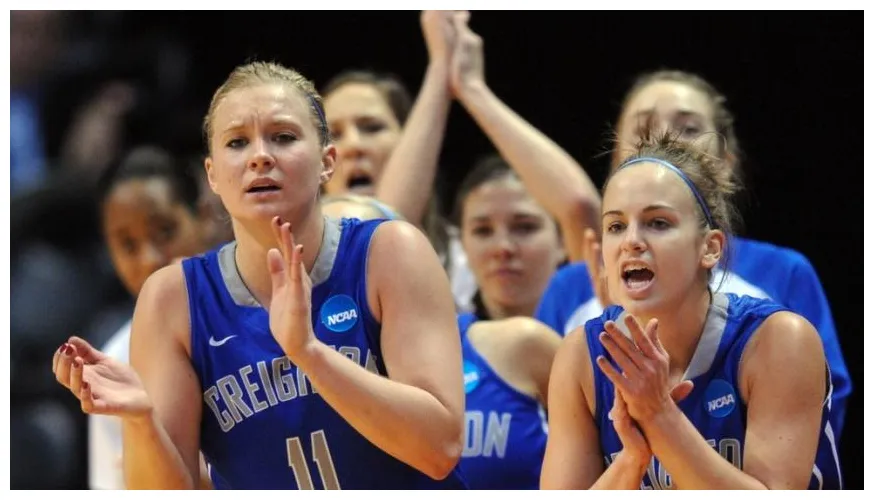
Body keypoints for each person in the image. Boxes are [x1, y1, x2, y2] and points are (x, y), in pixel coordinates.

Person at [53, 60, 468, 489]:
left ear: (328, 161)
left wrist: (309, 353)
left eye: (283, 137)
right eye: (237, 142)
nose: (260, 156)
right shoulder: (170, 299)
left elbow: (439, 448)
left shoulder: (390, 251)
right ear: (212, 175)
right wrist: (141, 421)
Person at [533, 69, 849, 440]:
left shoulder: (784, 276)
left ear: (727, 158)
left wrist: (664, 419)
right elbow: (550, 430)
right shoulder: (570, 293)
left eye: (688, 127)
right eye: (644, 127)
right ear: (617, 156)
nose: (664, 139)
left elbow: (819, 420)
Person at [88, 145, 215, 489]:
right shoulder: (113, 362)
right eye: (127, 245)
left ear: (203, 216)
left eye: (164, 231)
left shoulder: (261, 311)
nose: (148, 258)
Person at [451, 156, 563, 489]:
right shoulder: (440, 345)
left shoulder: (597, 332)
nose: (503, 247)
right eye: (483, 230)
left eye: (525, 226)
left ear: (563, 241)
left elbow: (580, 204)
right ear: (462, 246)